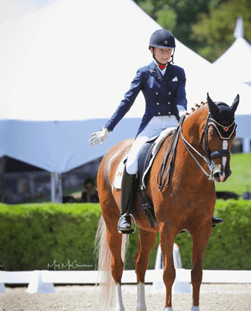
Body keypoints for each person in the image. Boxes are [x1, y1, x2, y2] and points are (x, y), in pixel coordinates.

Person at [89, 29, 223, 234]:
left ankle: (205, 210)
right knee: (132, 163)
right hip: (151, 124)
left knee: (198, 155)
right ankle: (125, 214)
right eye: (161, 50)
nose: (165, 53)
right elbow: (127, 101)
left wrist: (182, 113)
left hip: (174, 122)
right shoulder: (143, 73)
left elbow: (181, 97)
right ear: (152, 50)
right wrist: (108, 128)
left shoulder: (179, 72)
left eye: (168, 50)